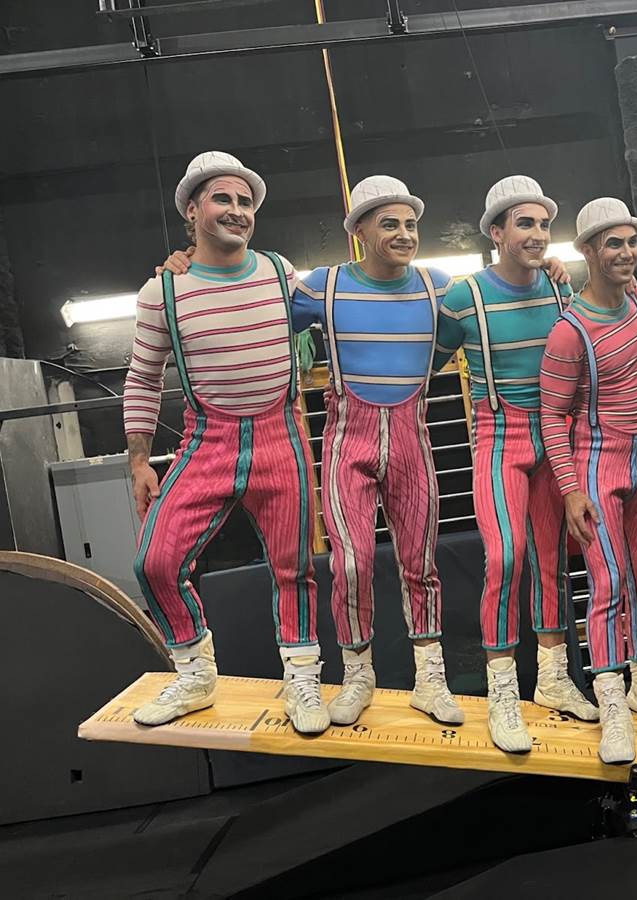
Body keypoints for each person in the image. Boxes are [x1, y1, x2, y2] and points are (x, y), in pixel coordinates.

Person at [160, 175, 468, 728]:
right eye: (390, 224)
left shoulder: (439, 286)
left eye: (410, 224)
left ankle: (431, 678)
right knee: (350, 563)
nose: (404, 234)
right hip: (347, 442)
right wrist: (185, 267)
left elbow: (489, 305)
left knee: (420, 564)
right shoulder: (323, 286)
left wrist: (553, 270)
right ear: (359, 232)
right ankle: (358, 675)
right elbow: (249, 300)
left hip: (412, 441)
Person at [125, 151, 328, 734]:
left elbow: (352, 299)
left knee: (293, 567)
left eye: (245, 201)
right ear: (192, 210)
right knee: (154, 560)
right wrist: (138, 460)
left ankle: (303, 679)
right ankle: (194, 673)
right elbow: (142, 378)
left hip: (281, 436)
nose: (237, 210)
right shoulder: (163, 290)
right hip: (206, 441)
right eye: (223, 198)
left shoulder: (281, 274)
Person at [433, 176, 598, 753]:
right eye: (524, 223)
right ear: (496, 232)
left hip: (556, 437)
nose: (537, 234)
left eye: (544, 224)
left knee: (553, 561)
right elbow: (422, 358)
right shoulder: (464, 297)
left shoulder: (559, 288)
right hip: (499, 437)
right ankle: (502, 690)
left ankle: (553, 680)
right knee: (506, 555)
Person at [540, 197, 637, 764]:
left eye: (631, 242)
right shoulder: (569, 330)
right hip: (596, 464)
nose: (626, 253)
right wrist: (570, 488)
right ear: (587, 250)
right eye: (613, 244)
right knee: (608, 581)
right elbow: (551, 414)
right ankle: (611, 701)